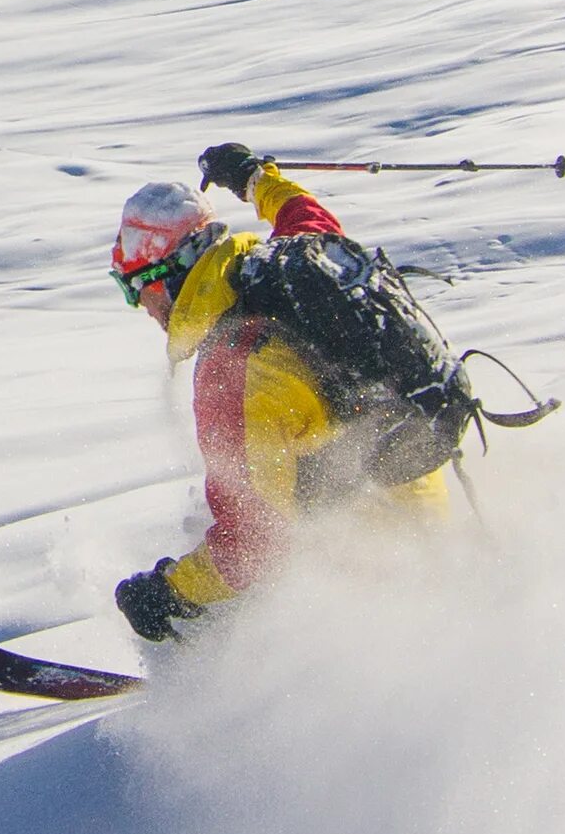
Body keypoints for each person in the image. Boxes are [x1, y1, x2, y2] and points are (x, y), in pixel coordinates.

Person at [106, 141, 447, 644]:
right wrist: (250, 177)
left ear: (166, 277)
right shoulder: (290, 263)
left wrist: (169, 593)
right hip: (427, 524)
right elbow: (306, 212)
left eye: (135, 288)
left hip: (379, 590)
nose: (144, 307)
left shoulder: (232, 368)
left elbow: (254, 544)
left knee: (234, 558)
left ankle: (230, 664)